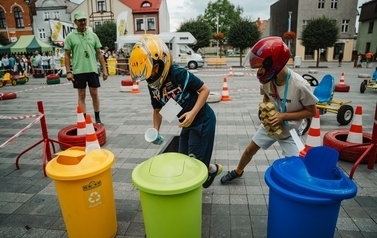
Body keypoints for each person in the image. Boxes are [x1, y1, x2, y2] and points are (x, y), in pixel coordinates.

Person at [220, 36, 318, 184]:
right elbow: (266, 96)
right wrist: (265, 110)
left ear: (273, 64)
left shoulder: (300, 85)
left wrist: (283, 116)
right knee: (249, 150)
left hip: (291, 131)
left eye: (261, 66)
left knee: (297, 163)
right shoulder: (267, 80)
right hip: (270, 125)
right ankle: (238, 171)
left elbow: (311, 112)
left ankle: (298, 186)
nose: (259, 70)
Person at [129, 34, 222, 188]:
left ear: (162, 61)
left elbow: (205, 90)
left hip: (202, 122)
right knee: (183, 160)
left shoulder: (178, 74)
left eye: (152, 70)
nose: (150, 76)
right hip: (186, 125)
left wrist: (192, 113)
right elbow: (158, 109)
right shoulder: (152, 84)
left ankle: (207, 172)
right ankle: (211, 168)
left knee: (194, 169)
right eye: (147, 74)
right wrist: (156, 130)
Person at [64, 11, 108, 125]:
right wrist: (68, 71)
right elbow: (67, 55)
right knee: (81, 95)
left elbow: (99, 53)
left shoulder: (93, 35)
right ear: (75, 22)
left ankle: (97, 119)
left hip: (92, 69)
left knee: (94, 94)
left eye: (84, 20)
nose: (83, 22)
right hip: (79, 70)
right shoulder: (70, 36)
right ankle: (83, 120)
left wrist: (105, 70)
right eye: (80, 20)